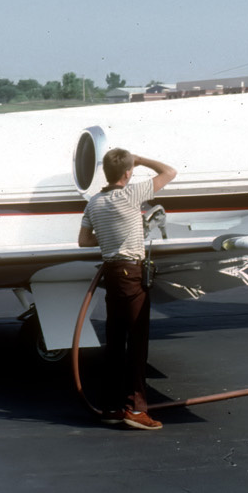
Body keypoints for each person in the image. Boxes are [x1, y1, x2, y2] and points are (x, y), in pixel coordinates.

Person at [78, 148, 177, 430]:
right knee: (136, 344)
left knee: (115, 343)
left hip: (111, 272)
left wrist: (111, 237)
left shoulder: (93, 203)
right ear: (127, 172)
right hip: (131, 272)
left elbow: (84, 241)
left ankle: (111, 408)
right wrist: (142, 159)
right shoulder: (131, 194)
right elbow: (169, 172)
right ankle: (135, 410)